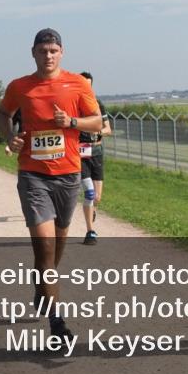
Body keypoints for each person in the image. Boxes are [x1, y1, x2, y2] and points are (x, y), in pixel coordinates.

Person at [0, 28, 103, 342]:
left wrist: (71, 122)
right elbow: (4, 113)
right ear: (33, 53)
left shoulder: (78, 84)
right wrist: (8, 136)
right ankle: (57, 323)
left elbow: (96, 122)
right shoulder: (20, 86)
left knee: (56, 248)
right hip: (33, 175)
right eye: (42, 51)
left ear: (62, 53)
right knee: (44, 247)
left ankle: (42, 284)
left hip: (68, 175)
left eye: (53, 51)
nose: (48, 56)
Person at [78, 71, 111, 245]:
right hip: (81, 154)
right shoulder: (74, 105)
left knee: (97, 197)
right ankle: (90, 231)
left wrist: (96, 130)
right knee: (89, 193)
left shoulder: (98, 105)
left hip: (97, 153)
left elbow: (108, 129)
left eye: (89, 85)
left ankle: (91, 210)